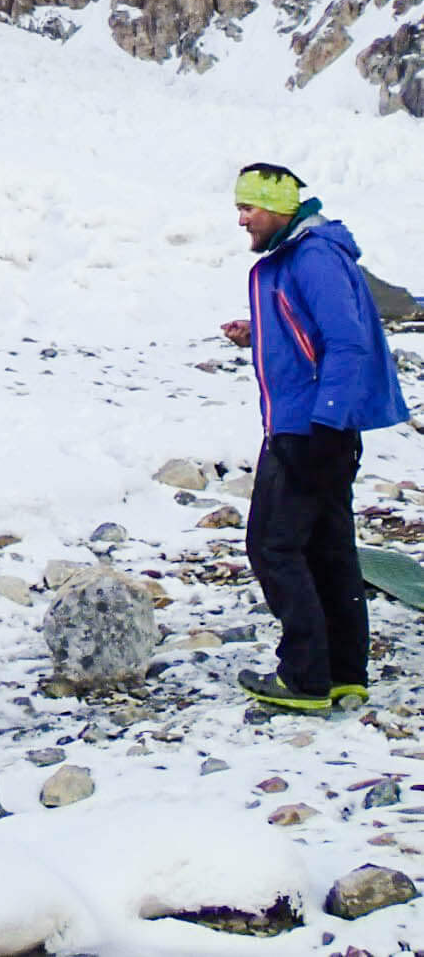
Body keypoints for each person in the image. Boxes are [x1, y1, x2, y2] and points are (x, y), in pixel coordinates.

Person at [220, 162, 409, 713]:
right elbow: (311, 332)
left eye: (248, 208)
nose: (241, 220)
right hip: (320, 425)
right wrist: (258, 334)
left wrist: (325, 423)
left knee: (274, 546)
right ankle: (344, 674)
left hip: (308, 428)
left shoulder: (313, 256)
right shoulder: (299, 255)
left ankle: (304, 676)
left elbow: (346, 342)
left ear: (279, 209)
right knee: (326, 548)